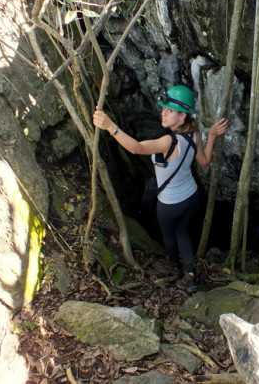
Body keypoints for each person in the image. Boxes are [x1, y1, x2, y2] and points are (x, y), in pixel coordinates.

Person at [93, 85, 228, 292]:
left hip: (170, 203)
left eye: (170, 110)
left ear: (182, 116)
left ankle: (173, 264)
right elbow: (204, 161)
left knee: (168, 233)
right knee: (182, 232)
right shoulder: (194, 135)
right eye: (164, 108)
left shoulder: (167, 142)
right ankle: (190, 276)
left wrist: (111, 127)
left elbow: (136, 148)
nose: (163, 113)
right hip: (191, 197)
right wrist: (211, 136)